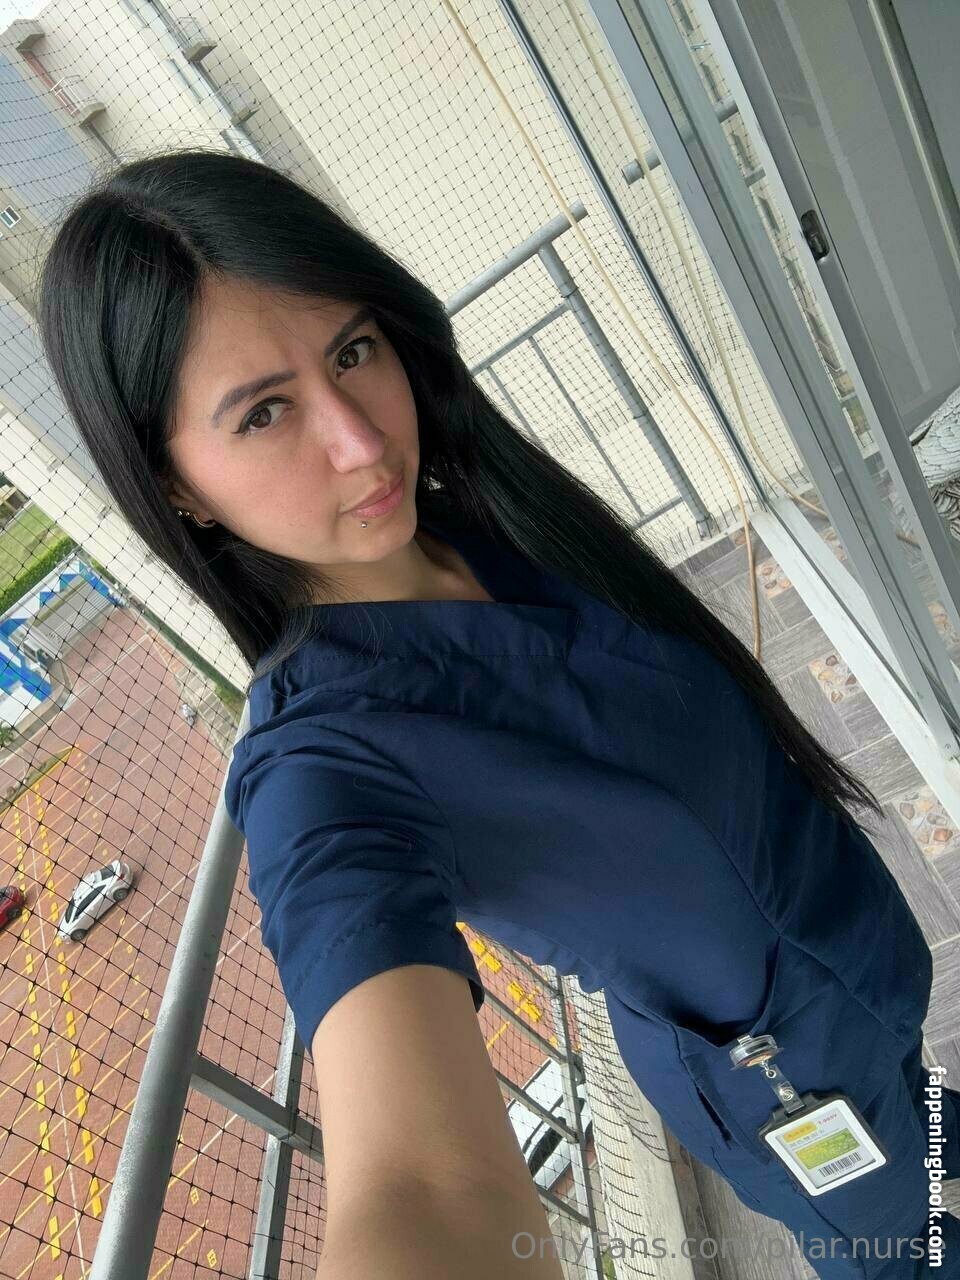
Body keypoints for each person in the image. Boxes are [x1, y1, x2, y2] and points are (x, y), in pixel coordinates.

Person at [36, 149, 960, 1280]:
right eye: (265, 412)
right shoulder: (323, 765)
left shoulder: (498, 522)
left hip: (864, 957)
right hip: (786, 1080)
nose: (362, 441)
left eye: (353, 352)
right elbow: (423, 1189)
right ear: (176, 486)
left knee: (924, 1126)